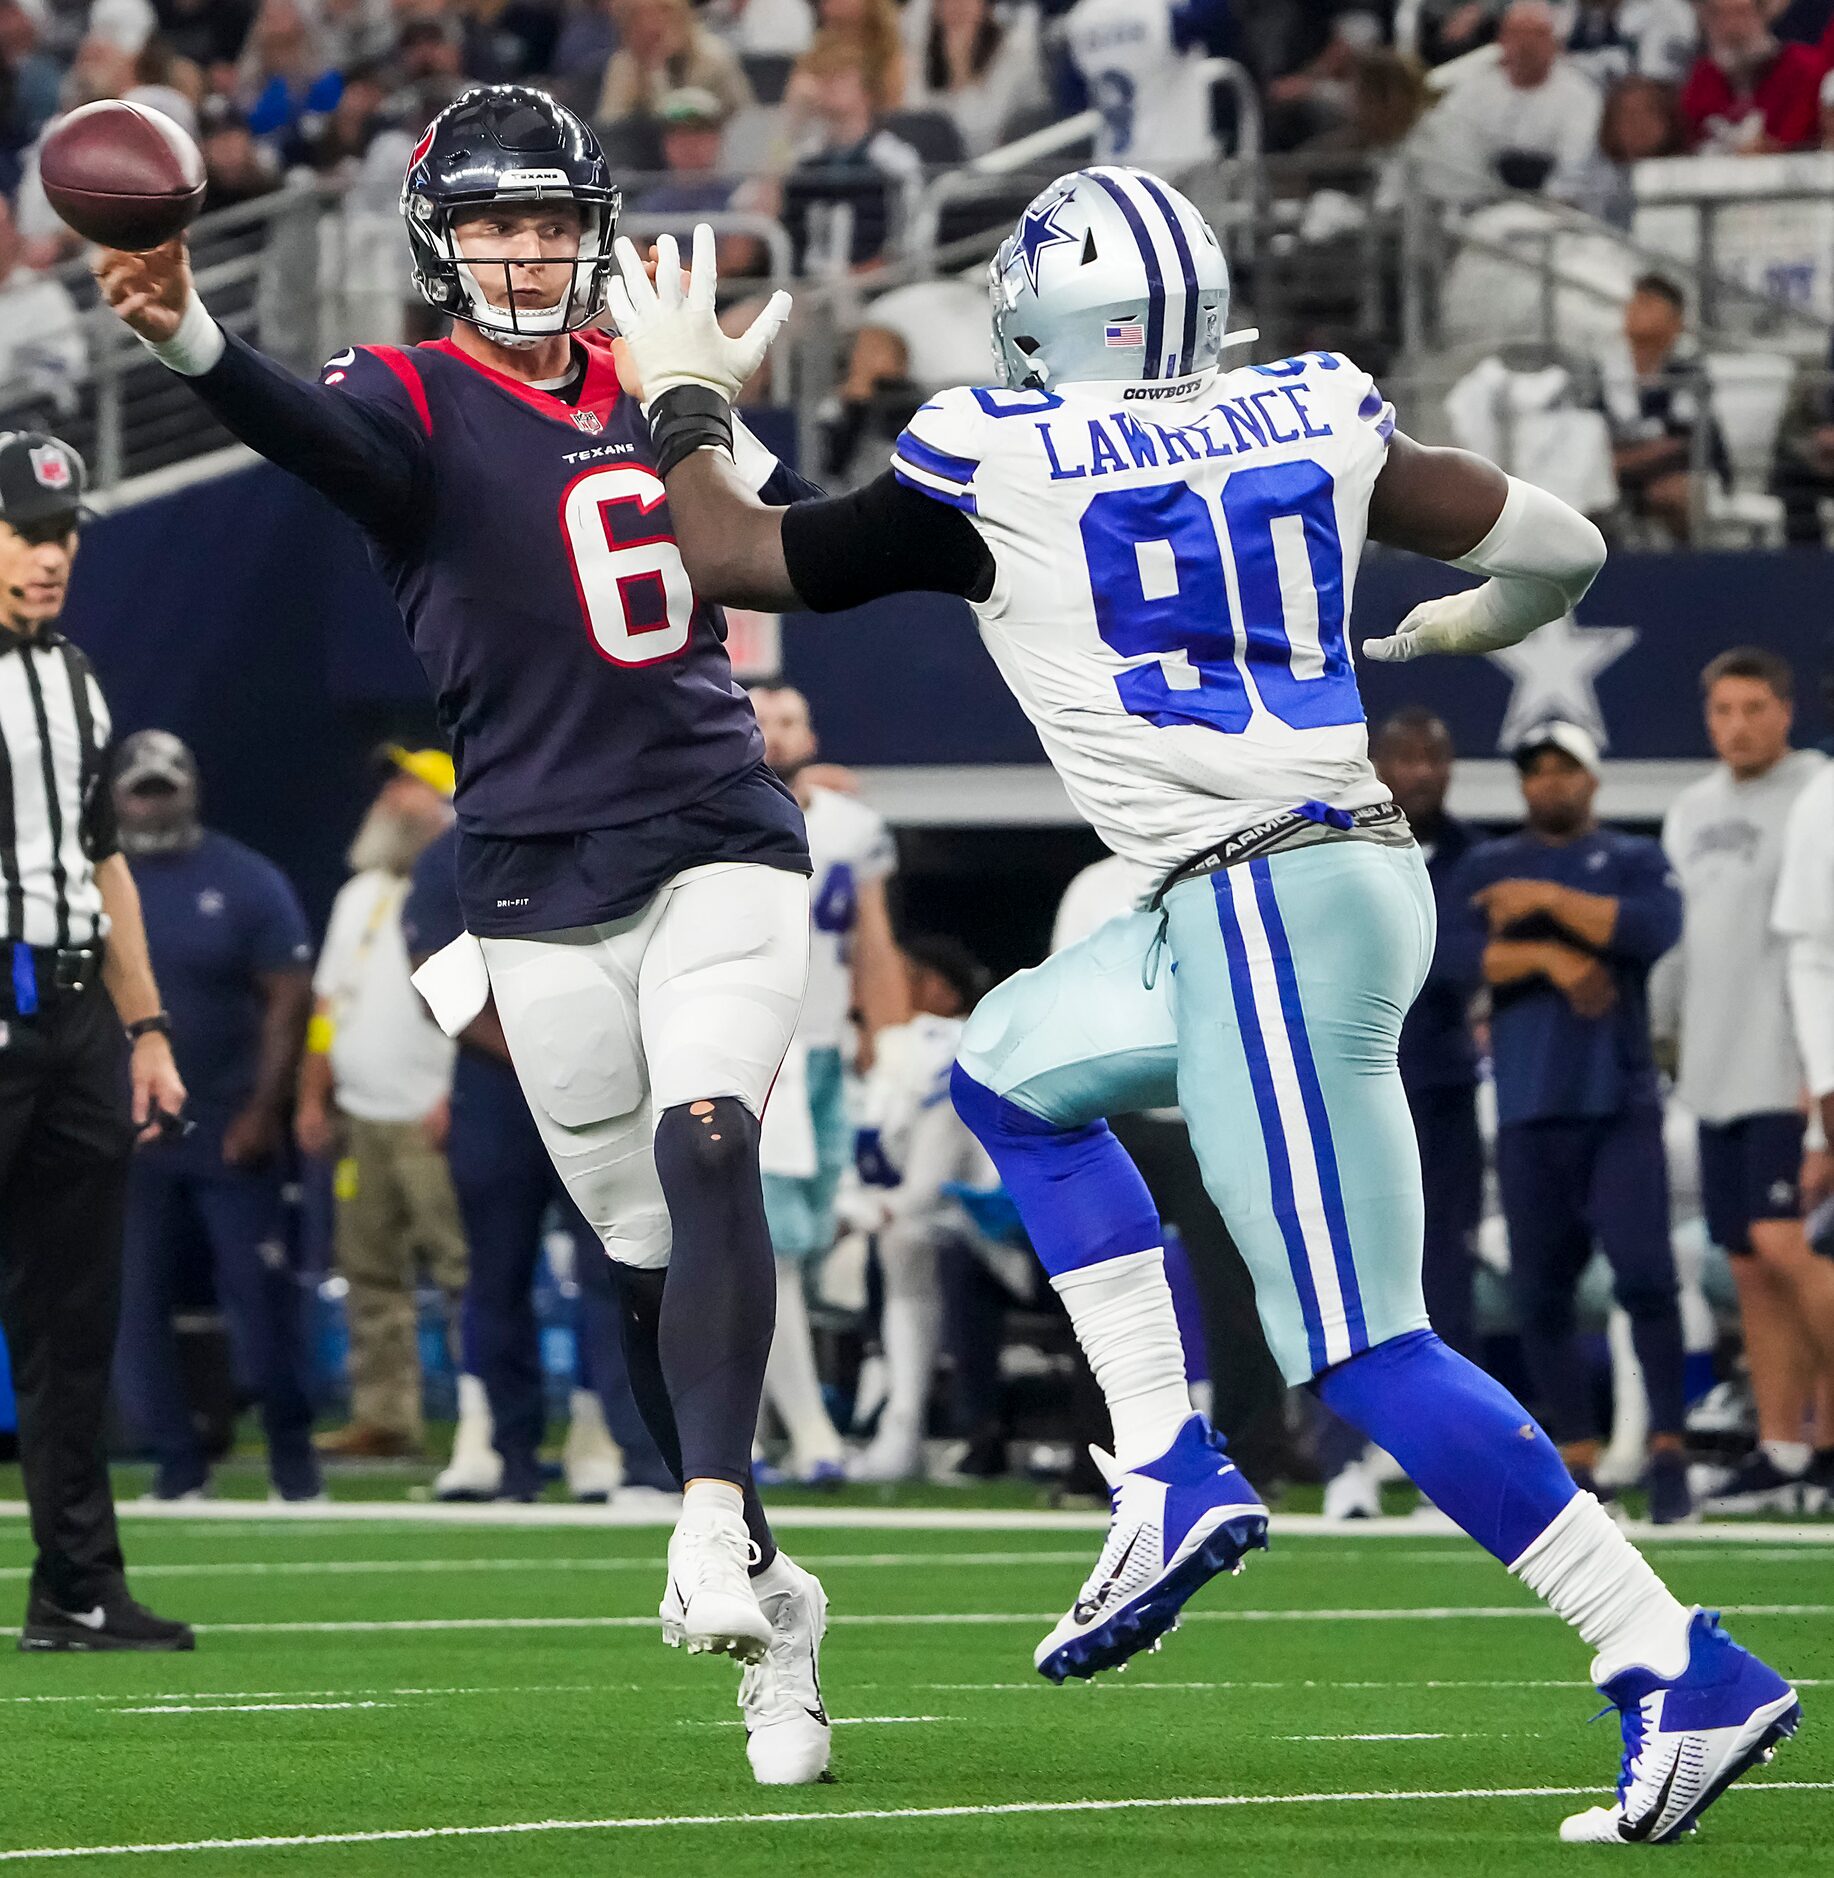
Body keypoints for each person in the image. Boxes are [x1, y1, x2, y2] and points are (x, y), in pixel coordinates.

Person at [608, 169, 1799, 1841]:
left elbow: (732, 552)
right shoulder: (1307, 409)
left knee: (1360, 1341)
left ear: (1049, 318)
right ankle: (1163, 1454)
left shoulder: (994, 452)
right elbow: (1569, 544)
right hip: (1282, 882)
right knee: (1009, 1064)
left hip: (1261, 895)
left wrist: (682, 397)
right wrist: (1473, 619)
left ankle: (1668, 1657)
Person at [98, 83, 831, 1789]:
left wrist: (707, 411)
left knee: (712, 1134)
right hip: (529, 864)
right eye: (495, 221)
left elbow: (788, 555)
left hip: (717, 823)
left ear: (593, 229)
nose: (526, 248)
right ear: (443, 237)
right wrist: (200, 334)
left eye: (551, 218)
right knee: (647, 1270)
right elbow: (324, 443)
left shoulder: (646, 370)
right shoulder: (405, 390)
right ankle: (774, 1598)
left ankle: (705, 1518)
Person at [0, 431, 192, 1651]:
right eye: (25, 531)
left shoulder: (75, 676)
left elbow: (100, 858)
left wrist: (150, 1028)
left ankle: (76, 1584)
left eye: (63, 536)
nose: (49, 557)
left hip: (71, 1011)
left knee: (76, 1317)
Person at [1454, 725, 1690, 1522]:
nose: (1550, 784)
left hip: (1617, 1101)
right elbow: (1451, 956)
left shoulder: (1632, 857)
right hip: (1528, 1105)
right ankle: (1578, 1461)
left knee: (1646, 1277)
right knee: (1540, 1293)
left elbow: (1652, 929)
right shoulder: (1487, 865)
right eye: (1537, 772)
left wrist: (1545, 905)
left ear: (1593, 779)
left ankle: (1668, 1453)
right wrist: (1552, 959)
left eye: (1566, 770)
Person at [403, 822, 675, 1505]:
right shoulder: (452, 854)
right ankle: (510, 1458)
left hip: (604, 1081)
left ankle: (637, 1456)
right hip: (507, 1094)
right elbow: (440, 990)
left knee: (623, 1270)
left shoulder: (606, 834)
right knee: (496, 1279)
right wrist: (547, 1058)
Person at [109, 730, 321, 1505]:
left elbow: (289, 994)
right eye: (141, 789)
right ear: (117, 794)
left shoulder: (242, 878)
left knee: (259, 1298)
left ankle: (293, 1462)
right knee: (134, 1303)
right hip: (128, 1130)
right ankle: (176, 1463)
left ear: (190, 790)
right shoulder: (96, 879)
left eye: (165, 787)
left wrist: (265, 1108)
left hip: (230, 1125)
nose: (153, 801)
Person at [1664, 650, 1833, 1513]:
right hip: (1715, 1073)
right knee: (1750, 1262)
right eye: (1722, 708)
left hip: (1793, 1075)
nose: (1737, 723)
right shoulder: (1690, 811)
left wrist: (1819, 1090)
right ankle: (1784, 1451)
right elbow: (1681, 948)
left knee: (1789, 1247)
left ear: (1787, 709)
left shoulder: (1819, 795)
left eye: (1754, 706)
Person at [1318, 707, 1485, 1521]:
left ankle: (1440, 1470)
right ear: (1376, 762)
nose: (1421, 772)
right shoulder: (1332, 840)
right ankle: (1343, 1459)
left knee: (1444, 1279)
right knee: (1341, 1272)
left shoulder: (1475, 856)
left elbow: (1459, 958)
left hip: (1441, 1095)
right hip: (1351, 1088)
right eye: (1406, 758)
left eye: (1435, 757)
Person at [750, 684, 907, 1484]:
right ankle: (810, 1432)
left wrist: (888, 1048)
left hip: (822, 1054)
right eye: (761, 720)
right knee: (768, 1252)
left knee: (808, 1250)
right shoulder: (716, 815)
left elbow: (873, 950)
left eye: (788, 720)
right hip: (754, 1053)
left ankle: (757, 1428)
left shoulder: (851, 827)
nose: (776, 734)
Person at [295, 750, 463, 1462]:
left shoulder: (463, 884)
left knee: (462, 1272)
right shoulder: (359, 894)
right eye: (392, 787)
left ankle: (487, 1414)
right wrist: (313, 1091)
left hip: (431, 1111)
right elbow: (329, 1004)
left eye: (411, 789)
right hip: (361, 1112)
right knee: (369, 1273)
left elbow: (481, 1003)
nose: (393, 799)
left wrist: (459, 1095)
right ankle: (385, 1418)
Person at [1422, 0, 1604, 199]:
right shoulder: (1471, 90)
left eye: (1537, 35)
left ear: (1554, 43)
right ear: (1501, 40)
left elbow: (1575, 166)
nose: (1526, 45)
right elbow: (1454, 152)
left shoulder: (1580, 95)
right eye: (1517, 34)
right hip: (1480, 205)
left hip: (1552, 210)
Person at [1595, 274, 1728, 543]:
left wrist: (1622, 461)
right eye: (1633, 303)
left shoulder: (1688, 372)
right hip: (1619, 474)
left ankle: (1687, 566)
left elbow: (1682, 444)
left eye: (1648, 304)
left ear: (1675, 323)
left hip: (1689, 472)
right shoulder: (1605, 372)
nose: (1634, 311)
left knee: (1670, 494)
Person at [780, 37, 923, 272]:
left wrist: (861, 277)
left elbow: (908, 241)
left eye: (840, 76)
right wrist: (791, 124)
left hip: (876, 289)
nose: (828, 85)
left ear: (867, 91)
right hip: (805, 291)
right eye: (822, 77)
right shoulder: (804, 159)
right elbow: (760, 222)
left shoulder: (894, 159)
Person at [1055, 0, 1228, 169]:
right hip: (1176, 161)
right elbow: (1220, 17)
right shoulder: (1161, 10)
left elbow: (1072, 99)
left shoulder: (1081, 18)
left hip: (1113, 168)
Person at [1680, 0, 1825, 152]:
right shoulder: (1701, 79)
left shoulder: (1803, 69)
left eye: (1741, 13)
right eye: (1718, 15)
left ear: (1763, 15)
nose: (1731, 27)